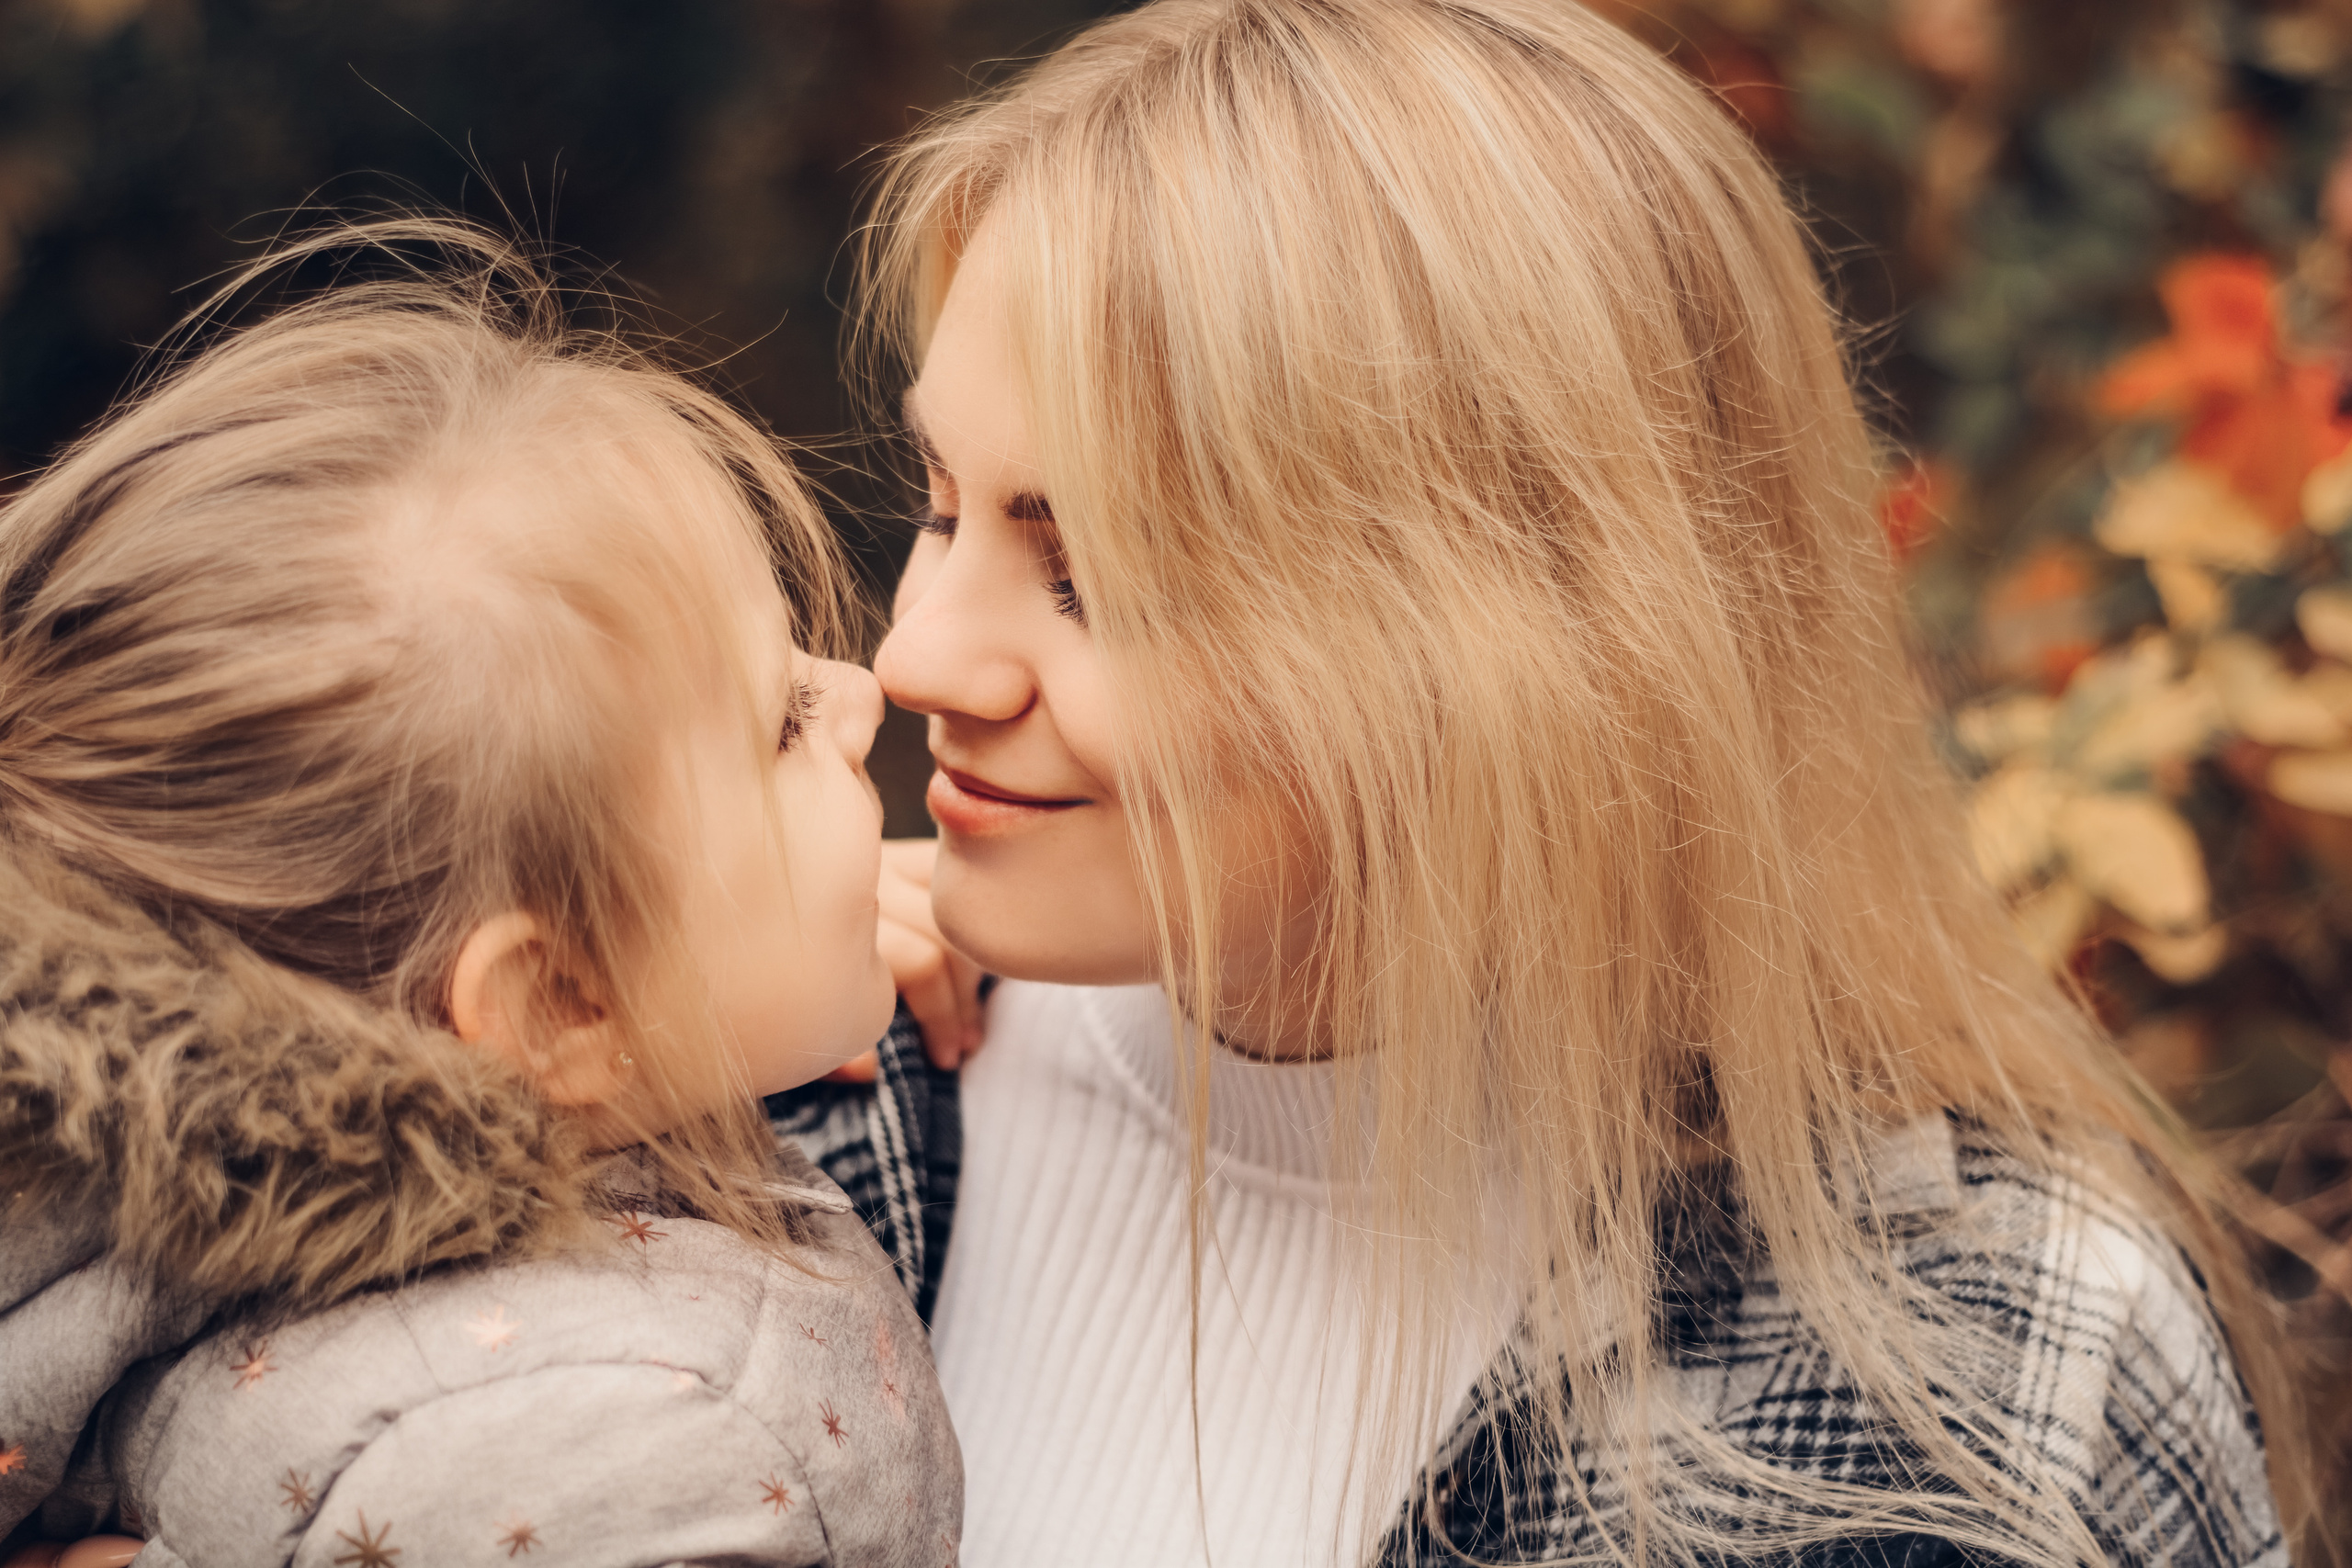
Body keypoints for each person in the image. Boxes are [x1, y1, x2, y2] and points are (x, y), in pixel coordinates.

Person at [802, 1, 2309, 1563]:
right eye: (941, 506)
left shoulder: (2000, 1383)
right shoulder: (781, 1123)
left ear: (1533, 644)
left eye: (1099, 568)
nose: (914, 661)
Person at [0, 220, 960, 1567]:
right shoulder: (630, 1464)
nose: (867, 690)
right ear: (561, 1003)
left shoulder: (122, 1224)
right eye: (783, 724)